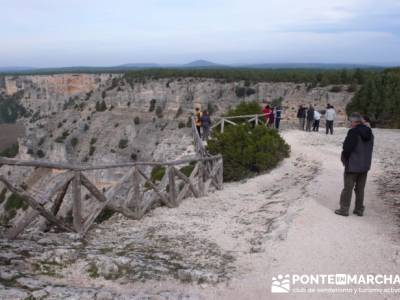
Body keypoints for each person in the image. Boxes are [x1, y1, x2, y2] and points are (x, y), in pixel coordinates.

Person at [335, 112, 374, 217]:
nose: (350, 123)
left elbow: (347, 149)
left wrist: (344, 159)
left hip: (352, 165)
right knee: (360, 189)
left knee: (348, 188)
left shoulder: (353, 132)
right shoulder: (370, 132)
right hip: (365, 165)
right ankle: (359, 209)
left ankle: (344, 209)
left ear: (354, 121)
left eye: (350, 121)